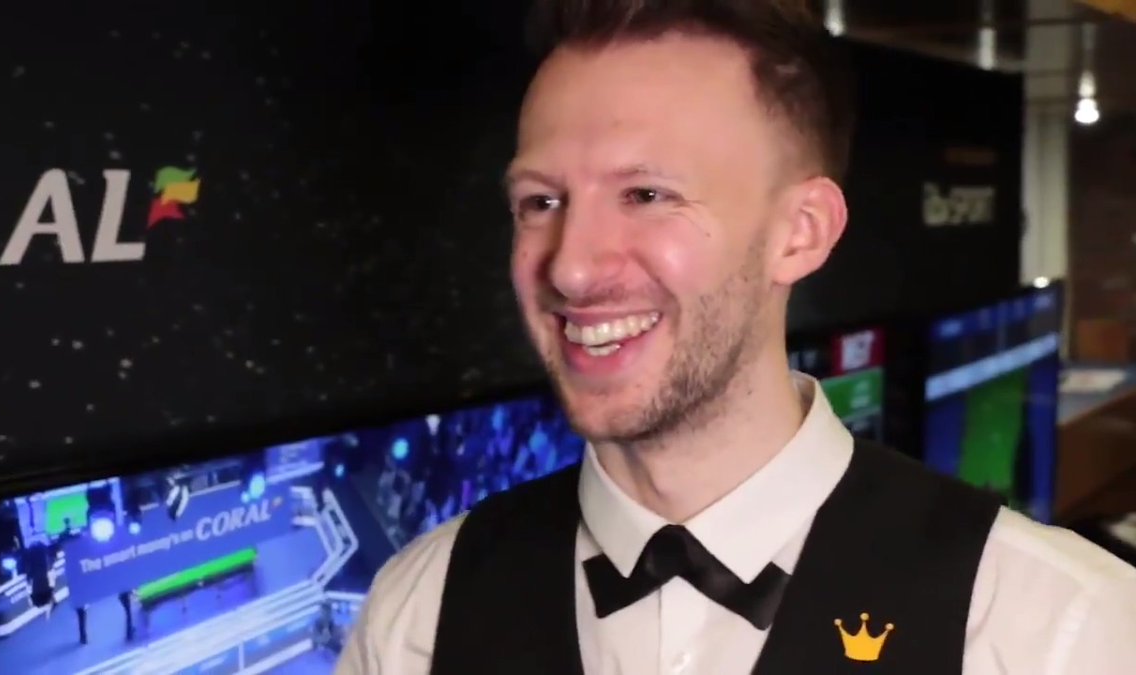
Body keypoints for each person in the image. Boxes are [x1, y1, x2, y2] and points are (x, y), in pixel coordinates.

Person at [337, 1, 1136, 673]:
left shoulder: (1055, 631)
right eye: (541, 202)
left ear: (802, 231)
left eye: (647, 194)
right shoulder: (417, 615)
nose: (572, 268)